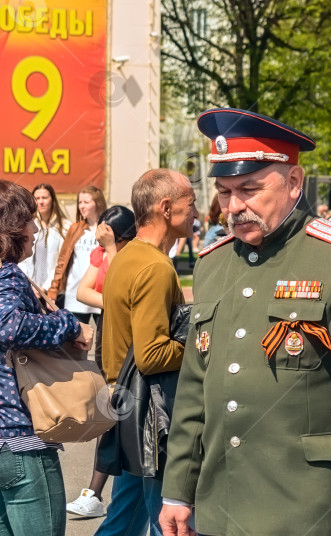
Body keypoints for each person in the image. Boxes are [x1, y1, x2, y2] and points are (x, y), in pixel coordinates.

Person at [159, 108, 331, 536]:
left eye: (249, 188)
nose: (234, 206)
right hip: (223, 504)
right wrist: (178, 490)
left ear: (294, 182)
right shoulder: (213, 264)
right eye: (225, 192)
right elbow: (195, 388)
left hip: (315, 507)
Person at [93, 170, 196, 536]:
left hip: (130, 407)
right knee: (172, 523)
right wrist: (200, 347)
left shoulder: (125, 256)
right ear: (166, 208)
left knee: (122, 519)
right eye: (191, 203)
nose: (197, 212)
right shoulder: (155, 266)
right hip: (152, 412)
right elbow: (152, 355)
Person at [0, 180, 94, 536]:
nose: (35, 228)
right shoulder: (7, 276)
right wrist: (69, 325)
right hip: (20, 438)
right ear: (11, 229)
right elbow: (8, 326)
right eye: (27, 220)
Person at [66, 206, 136, 519]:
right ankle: (96, 494)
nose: (100, 228)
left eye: (105, 224)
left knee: (117, 411)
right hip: (108, 333)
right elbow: (83, 291)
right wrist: (115, 299)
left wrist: (111, 251)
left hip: (130, 338)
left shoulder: (132, 253)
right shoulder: (100, 254)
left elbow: (127, 287)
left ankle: (94, 493)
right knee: (114, 411)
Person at [48, 186, 107, 355]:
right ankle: (78, 379)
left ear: (97, 203)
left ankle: (102, 379)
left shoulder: (106, 229)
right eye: (79, 202)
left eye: (86, 202)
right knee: (74, 343)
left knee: (102, 346)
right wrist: (55, 287)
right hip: (75, 294)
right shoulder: (75, 229)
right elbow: (63, 260)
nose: (81, 206)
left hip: (99, 294)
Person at [17, 183, 69, 291]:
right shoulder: (28, 225)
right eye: (37, 198)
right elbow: (23, 260)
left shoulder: (64, 227)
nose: (41, 201)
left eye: (45, 197)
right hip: (30, 288)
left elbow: (61, 262)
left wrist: (45, 288)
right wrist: (30, 286)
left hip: (52, 291)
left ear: (52, 200)